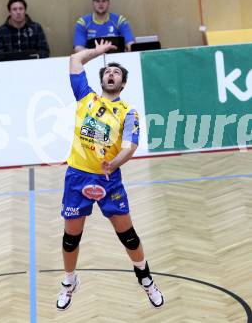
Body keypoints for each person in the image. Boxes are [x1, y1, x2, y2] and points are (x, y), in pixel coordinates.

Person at [57, 40, 164, 311]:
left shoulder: (128, 113)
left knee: (127, 234)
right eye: (108, 71)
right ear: (102, 77)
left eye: (117, 72)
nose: (111, 73)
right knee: (71, 238)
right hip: (78, 176)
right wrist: (100, 52)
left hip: (108, 180)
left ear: (123, 83)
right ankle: (70, 282)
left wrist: (113, 163)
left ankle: (146, 278)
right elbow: (75, 61)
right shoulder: (86, 97)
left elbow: (130, 146)